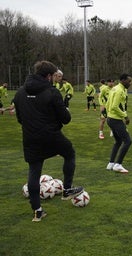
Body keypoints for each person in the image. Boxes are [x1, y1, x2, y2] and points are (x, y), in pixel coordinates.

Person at [13, 60, 83, 222]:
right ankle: (67, 190)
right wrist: (63, 111)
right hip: (51, 135)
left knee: (34, 170)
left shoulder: (20, 92)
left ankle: (37, 211)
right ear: (49, 76)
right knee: (69, 153)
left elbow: (20, 119)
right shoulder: (52, 92)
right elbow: (66, 119)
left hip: (30, 137)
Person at [105, 73, 132, 173]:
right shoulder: (120, 90)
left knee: (118, 141)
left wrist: (108, 115)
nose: (130, 83)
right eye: (129, 81)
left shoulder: (114, 88)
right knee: (128, 141)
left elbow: (108, 104)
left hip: (111, 118)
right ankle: (118, 164)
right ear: (123, 80)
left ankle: (111, 163)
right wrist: (125, 116)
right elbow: (114, 106)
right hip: (115, 120)